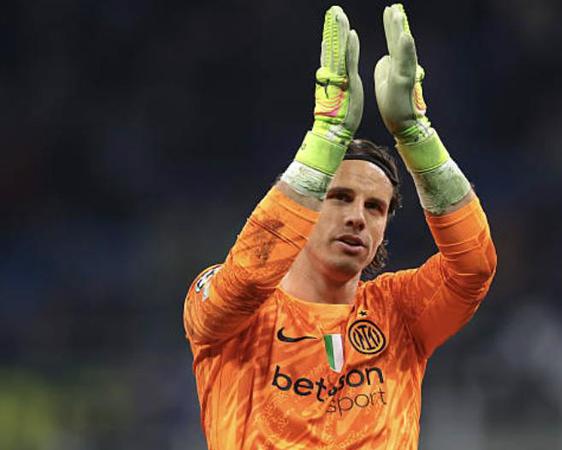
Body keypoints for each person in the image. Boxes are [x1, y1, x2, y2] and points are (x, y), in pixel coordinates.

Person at [183, 4, 496, 449]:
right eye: (340, 197)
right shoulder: (237, 312)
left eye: (375, 207)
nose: (357, 216)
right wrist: (326, 137)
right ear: (308, 204)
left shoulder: (399, 312)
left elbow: (474, 267)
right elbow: (248, 279)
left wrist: (416, 135)